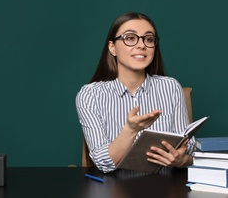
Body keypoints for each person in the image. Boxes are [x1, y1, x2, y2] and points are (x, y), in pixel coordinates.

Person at [75, 12, 194, 173]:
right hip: (115, 190)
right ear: (112, 47)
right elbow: (103, 163)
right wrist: (130, 130)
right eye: (130, 38)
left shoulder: (171, 87)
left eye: (149, 39)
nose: (141, 45)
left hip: (165, 187)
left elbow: (189, 147)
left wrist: (182, 160)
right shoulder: (90, 95)